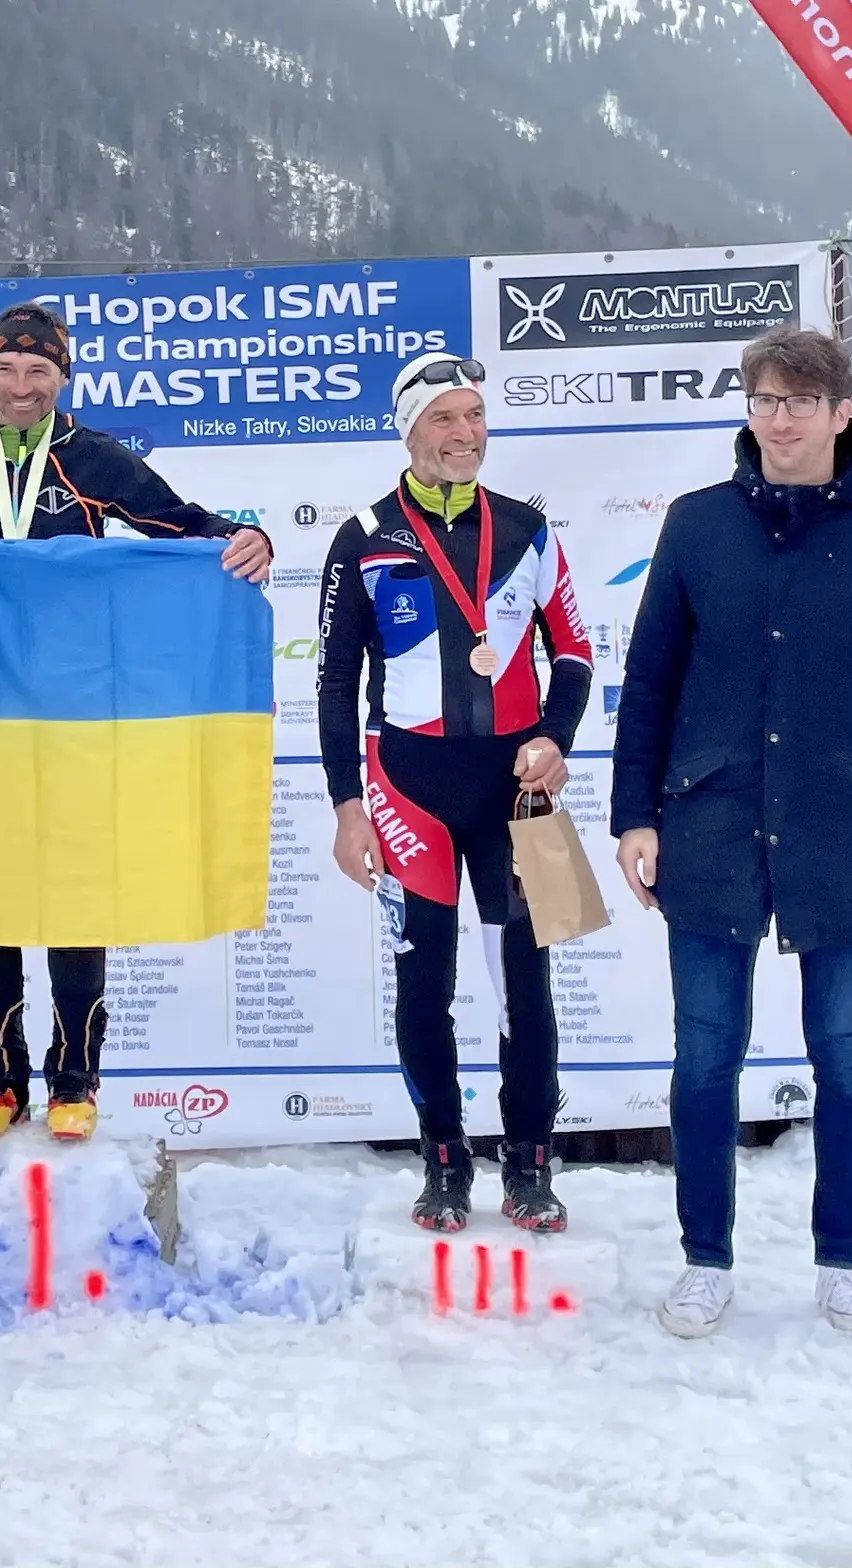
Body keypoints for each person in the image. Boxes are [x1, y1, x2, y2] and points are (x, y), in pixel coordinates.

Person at [611, 325, 852, 1338]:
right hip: (711, 822)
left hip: (845, 829)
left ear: (838, 413)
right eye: (763, 400)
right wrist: (634, 812)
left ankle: (840, 1261)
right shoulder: (694, 526)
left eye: (798, 402)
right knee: (702, 1058)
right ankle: (702, 1258)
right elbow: (647, 682)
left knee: (847, 1058)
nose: (778, 420)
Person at [0, 302, 273, 1142]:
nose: (21, 388)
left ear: (63, 377)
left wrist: (249, 537)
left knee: (76, 885)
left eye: (39, 372)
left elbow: (187, 529)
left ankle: (76, 1078)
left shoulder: (92, 459)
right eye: (8, 371)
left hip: (77, 709)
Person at [319, 352, 594, 1232]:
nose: (464, 434)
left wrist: (556, 736)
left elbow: (577, 654)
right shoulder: (363, 537)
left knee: (526, 983)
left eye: (474, 417)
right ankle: (443, 1161)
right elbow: (333, 681)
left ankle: (530, 1164)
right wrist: (346, 806)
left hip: (517, 790)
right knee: (422, 983)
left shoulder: (527, 529)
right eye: (445, 419)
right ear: (410, 432)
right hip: (410, 785)